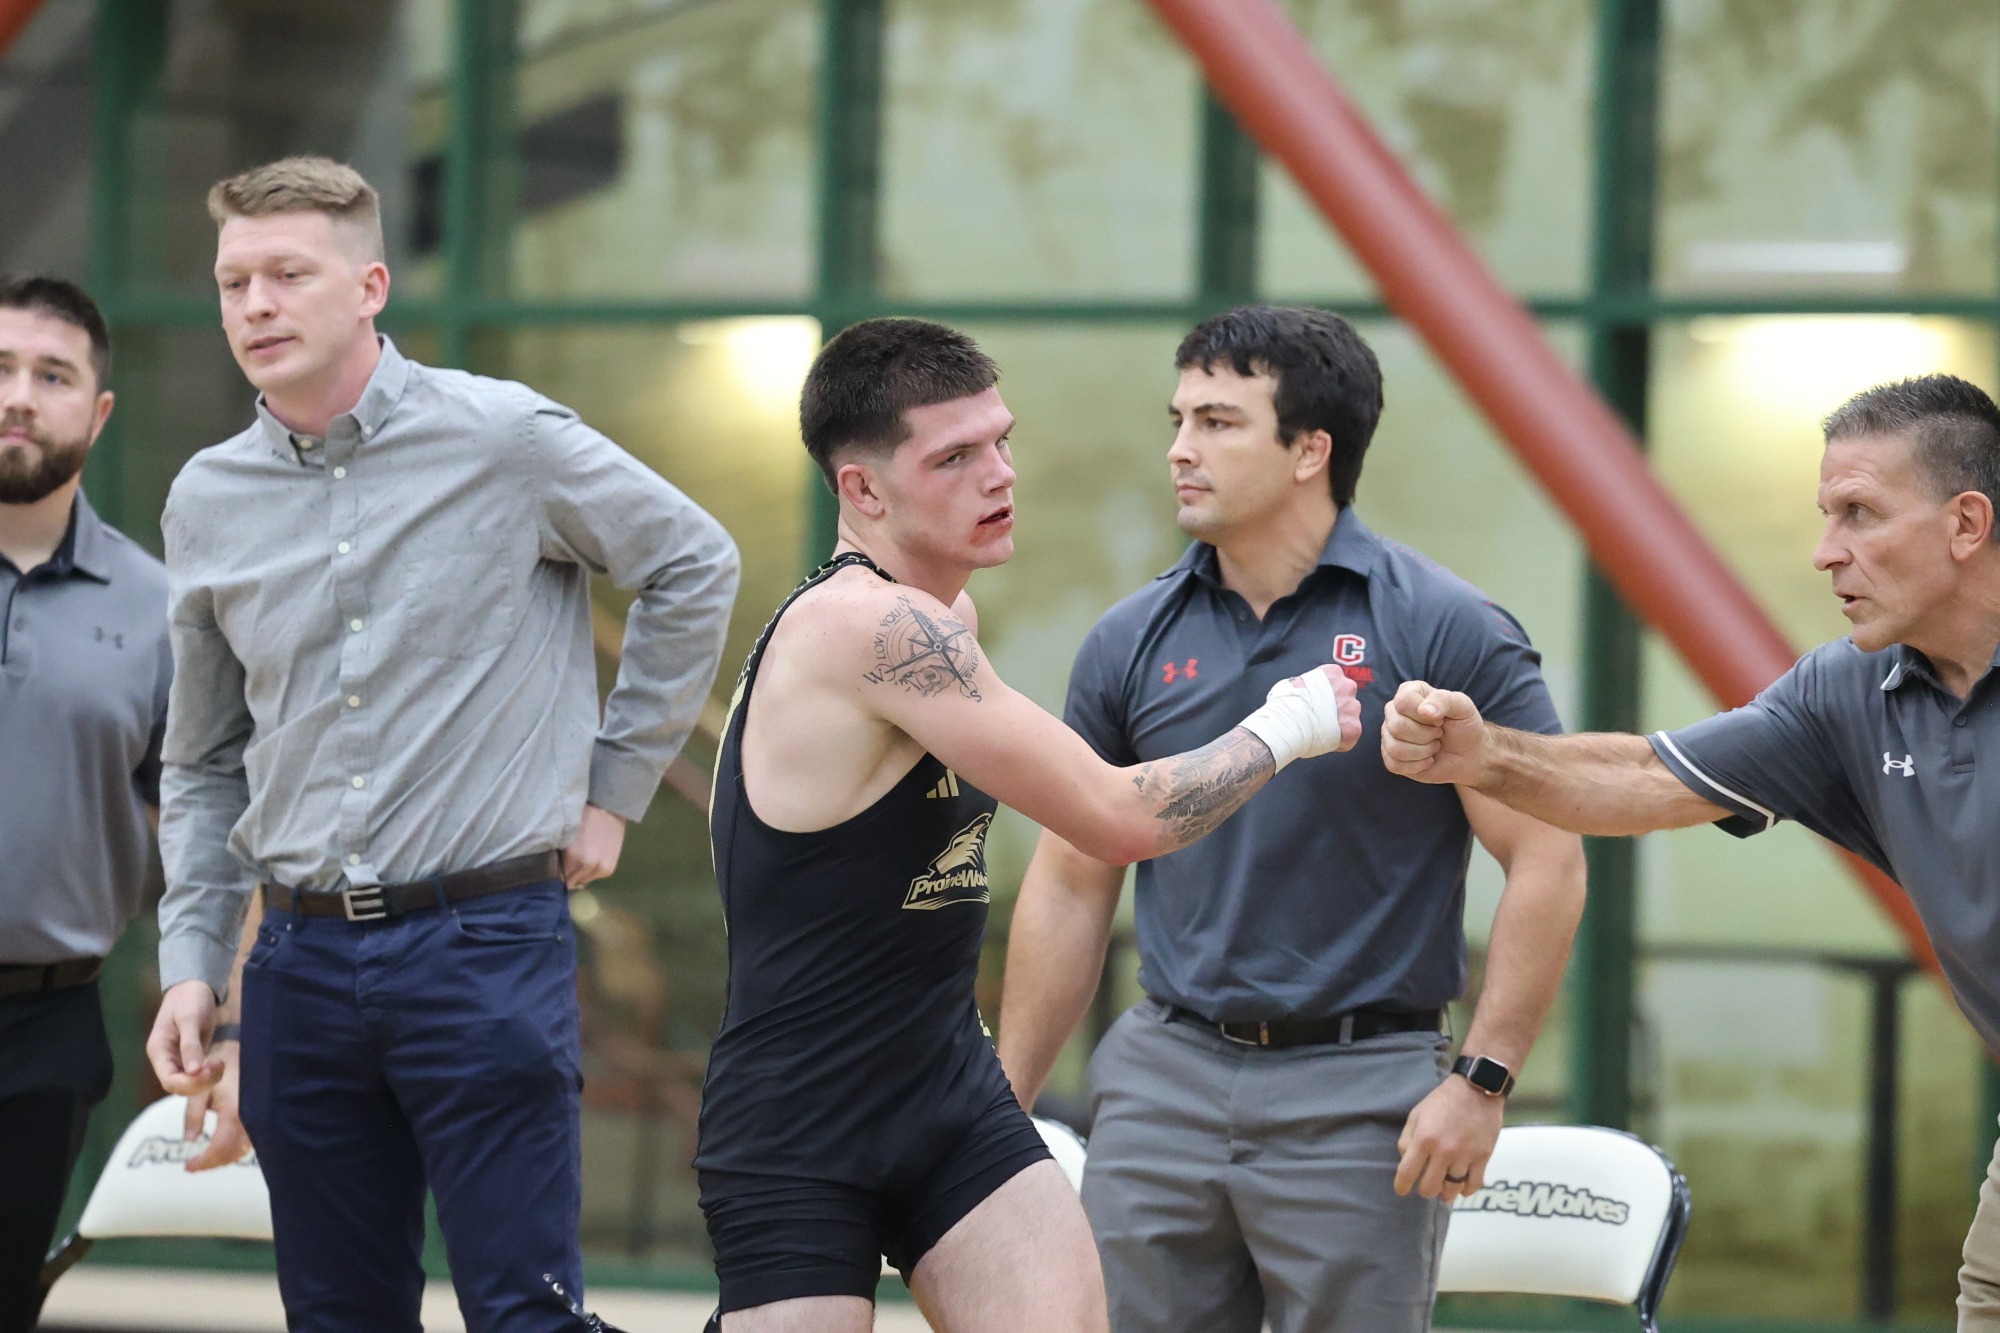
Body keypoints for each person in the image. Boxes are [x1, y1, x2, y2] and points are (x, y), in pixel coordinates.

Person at [141, 157, 739, 1332]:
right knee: (338, 1316)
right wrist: (192, 964)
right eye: (232, 282)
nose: (253, 306)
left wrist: (614, 787)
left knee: (524, 1312)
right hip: (296, 970)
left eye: (285, 275)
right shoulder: (205, 497)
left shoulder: (506, 439)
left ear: (368, 285)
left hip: (482, 945)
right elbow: (206, 761)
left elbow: (693, 563)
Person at [696, 316, 1363, 1333]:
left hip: (944, 1096)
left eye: (1000, 440)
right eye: (953, 457)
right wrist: (1290, 722)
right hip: (799, 1119)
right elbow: (1111, 815)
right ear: (862, 491)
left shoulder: (943, 626)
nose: (997, 474)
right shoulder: (866, 627)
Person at [995, 304, 1588, 1333]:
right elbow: (1068, 878)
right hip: (1160, 1080)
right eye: (1177, 418)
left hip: (1362, 1093)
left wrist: (1481, 1082)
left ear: (1310, 448)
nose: (1180, 448)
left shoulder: (1438, 624)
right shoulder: (1129, 638)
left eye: (1219, 423)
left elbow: (1546, 857)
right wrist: (999, 1106)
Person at [1379, 372, 2000, 1331]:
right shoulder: (1846, 691)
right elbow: (1641, 779)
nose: (1825, 551)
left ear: (1967, 523)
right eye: (1826, 513)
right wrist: (1483, 752)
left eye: (1860, 514)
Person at [0, 277, 169, 1333]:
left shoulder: (159, 608)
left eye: (52, 375)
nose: (20, 396)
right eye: (1, 371)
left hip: (49, 1022)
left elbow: (200, 824)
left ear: (97, 411)